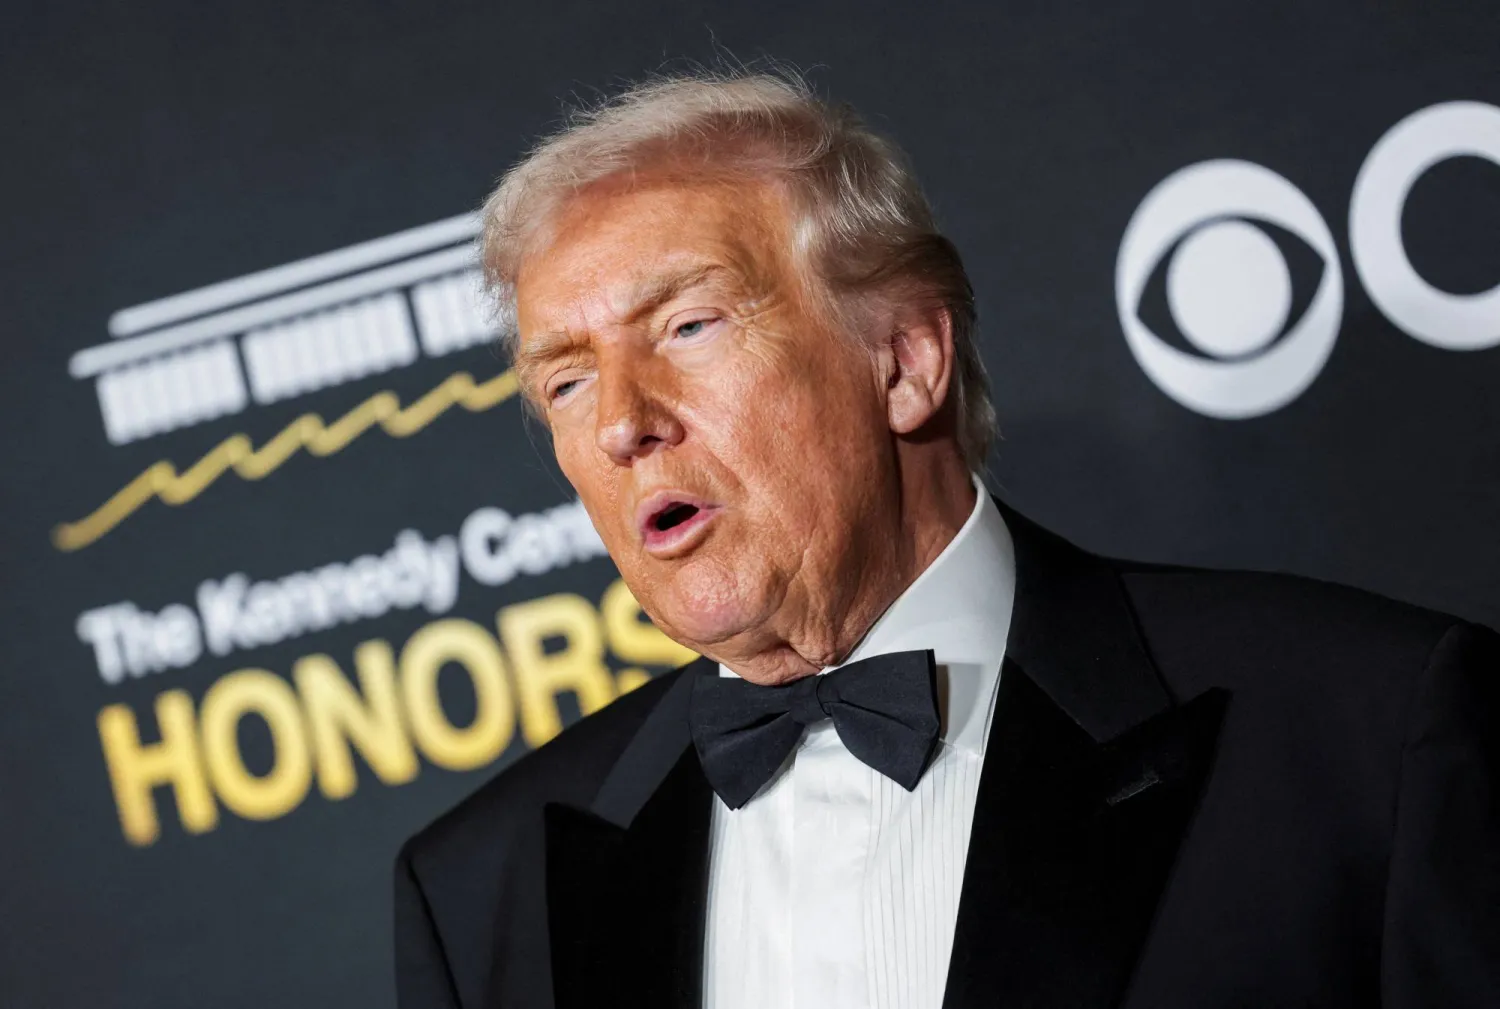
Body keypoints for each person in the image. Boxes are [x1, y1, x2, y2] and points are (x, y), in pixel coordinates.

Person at [393, 69, 1500, 1009]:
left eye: (689, 325)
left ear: (908, 361)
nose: (625, 420)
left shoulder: (1365, 733)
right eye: (569, 380)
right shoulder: (484, 893)